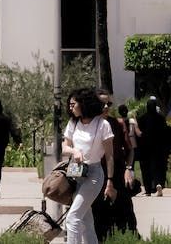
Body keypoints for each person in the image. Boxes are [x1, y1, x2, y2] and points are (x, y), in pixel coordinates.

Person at [63, 87, 115, 244]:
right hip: (76, 173)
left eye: (73, 104)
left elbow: (110, 156)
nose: (70, 108)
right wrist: (75, 151)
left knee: (72, 218)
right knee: (86, 221)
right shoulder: (73, 122)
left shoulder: (103, 125)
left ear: (84, 104)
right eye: (69, 105)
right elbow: (65, 147)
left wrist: (110, 181)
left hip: (93, 174)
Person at [91, 90, 137, 240]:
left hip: (117, 171)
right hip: (96, 172)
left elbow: (130, 150)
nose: (105, 107)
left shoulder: (117, 124)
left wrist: (128, 169)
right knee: (99, 214)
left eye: (108, 104)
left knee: (125, 212)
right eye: (101, 103)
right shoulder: (87, 124)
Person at [136, 97, 169, 197]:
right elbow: (166, 133)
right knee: (158, 167)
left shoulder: (142, 118)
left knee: (146, 168)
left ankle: (148, 190)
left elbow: (139, 134)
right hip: (158, 147)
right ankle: (158, 183)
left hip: (145, 147)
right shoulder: (161, 118)